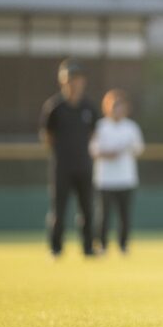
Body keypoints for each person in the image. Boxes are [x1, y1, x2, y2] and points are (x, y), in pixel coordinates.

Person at [39, 59, 100, 259]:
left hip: (84, 164)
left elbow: (94, 134)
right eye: (70, 79)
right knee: (59, 208)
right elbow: (47, 136)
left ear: (83, 81)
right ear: (62, 82)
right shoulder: (54, 107)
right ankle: (56, 248)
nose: (74, 83)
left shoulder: (89, 108)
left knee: (87, 209)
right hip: (62, 165)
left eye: (78, 79)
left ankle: (88, 248)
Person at [90, 89, 145, 255]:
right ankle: (102, 244)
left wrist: (125, 150)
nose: (118, 109)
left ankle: (123, 245)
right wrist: (109, 154)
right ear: (107, 107)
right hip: (105, 179)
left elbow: (139, 149)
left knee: (124, 215)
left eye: (121, 106)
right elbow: (93, 150)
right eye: (114, 106)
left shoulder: (131, 127)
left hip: (126, 178)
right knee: (103, 215)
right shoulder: (100, 126)